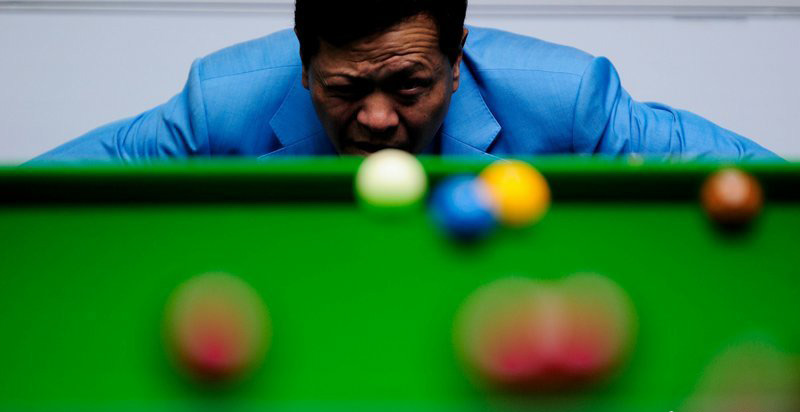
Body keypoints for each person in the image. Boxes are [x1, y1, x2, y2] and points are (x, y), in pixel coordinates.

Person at [28, 0, 779, 164]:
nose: (379, 119)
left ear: (456, 60)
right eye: (346, 90)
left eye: (409, 86)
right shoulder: (218, 100)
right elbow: (53, 192)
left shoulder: (570, 95)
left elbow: (754, 175)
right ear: (303, 66)